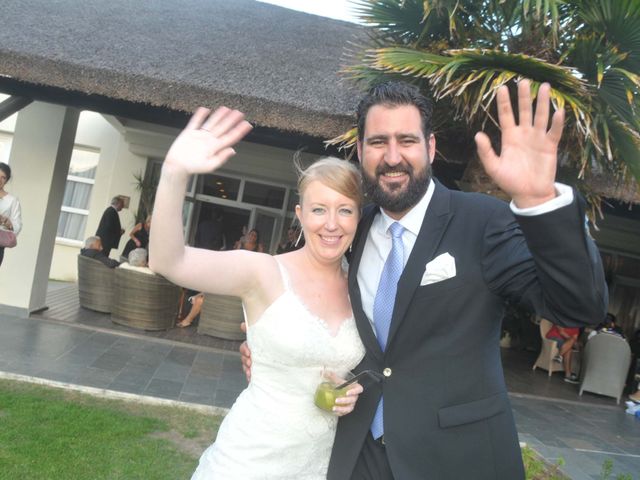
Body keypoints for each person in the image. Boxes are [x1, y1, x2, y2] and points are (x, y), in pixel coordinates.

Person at [241, 79, 608, 479]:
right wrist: (275, 344)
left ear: (430, 148)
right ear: (361, 151)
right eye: (378, 142)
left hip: (455, 460)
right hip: (360, 454)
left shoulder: (483, 223)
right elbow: (312, 293)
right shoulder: (351, 230)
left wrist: (540, 203)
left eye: (407, 141)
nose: (393, 156)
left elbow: (580, 306)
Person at [148, 107, 366, 478]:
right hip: (247, 463)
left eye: (344, 210)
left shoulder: (364, 287)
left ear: (358, 217)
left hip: (318, 468)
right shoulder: (263, 272)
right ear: (300, 215)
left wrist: (351, 390)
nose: (331, 224)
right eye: (319, 209)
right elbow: (170, 261)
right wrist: (173, 173)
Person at [0, 162, 22, 267]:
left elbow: (17, 225)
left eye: (3, 177)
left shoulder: (12, 200)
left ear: (7, 180)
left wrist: (5, 221)